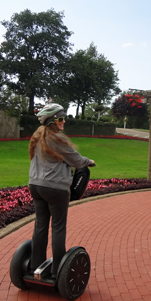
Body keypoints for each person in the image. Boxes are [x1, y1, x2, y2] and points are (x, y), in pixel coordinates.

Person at [28, 103, 94, 277]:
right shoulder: (57, 139)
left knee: (40, 225)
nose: (63, 122)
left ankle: (36, 265)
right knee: (58, 227)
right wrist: (89, 162)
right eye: (60, 119)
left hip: (35, 185)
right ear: (52, 121)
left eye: (64, 118)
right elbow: (76, 160)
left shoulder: (37, 136)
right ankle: (58, 270)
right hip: (55, 188)